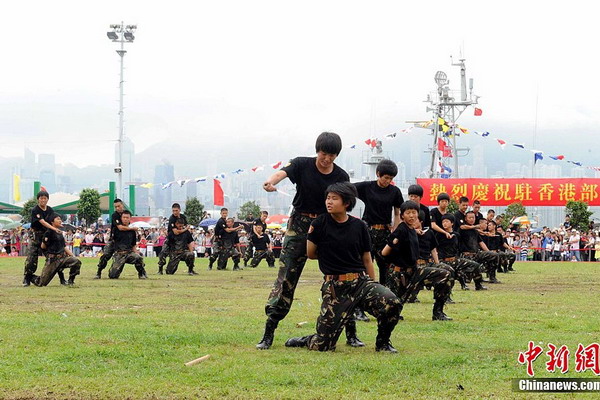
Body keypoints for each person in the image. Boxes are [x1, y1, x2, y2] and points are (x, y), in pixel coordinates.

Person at [257, 131, 350, 350]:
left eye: (332, 155)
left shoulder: (341, 175)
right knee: (286, 278)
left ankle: (351, 332)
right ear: (317, 150)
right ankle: (269, 330)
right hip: (299, 225)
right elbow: (281, 173)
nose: (326, 159)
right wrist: (270, 182)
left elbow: (345, 202)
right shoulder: (302, 164)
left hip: (327, 226)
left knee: (341, 278)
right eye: (324, 153)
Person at [284, 183, 401, 352]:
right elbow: (311, 253)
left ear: (346, 203)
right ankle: (308, 340)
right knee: (324, 346)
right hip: (335, 287)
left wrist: (373, 284)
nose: (329, 202)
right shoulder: (319, 224)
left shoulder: (359, 226)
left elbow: (367, 260)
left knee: (392, 302)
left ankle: (383, 343)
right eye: (328, 198)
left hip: (360, 282)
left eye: (334, 198)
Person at [382, 201, 453, 321]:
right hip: (399, 274)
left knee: (444, 274)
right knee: (390, 311)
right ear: (402, 215)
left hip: (415, 271)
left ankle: (438, 312)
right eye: (408, 213)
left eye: (414, 212)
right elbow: (384, 252)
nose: (411, 216)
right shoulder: (401, 230)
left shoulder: (411, 229)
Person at [353, 159, 404, 285]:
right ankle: (365, 288)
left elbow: (397, 213)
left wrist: (395, 231)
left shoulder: (395, 191)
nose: (388, 181)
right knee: (364, 262)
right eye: (386, 177)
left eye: (391, 178)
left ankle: (383, 290)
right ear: (378, 174)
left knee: (385, 264)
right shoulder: (366, 187)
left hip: (385, 232)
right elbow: (347, 189)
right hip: (368, 230)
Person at [23, 190, 66, 286]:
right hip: (36, 236)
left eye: (45, 198)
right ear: (38, 199)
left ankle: (62, 278)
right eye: (41, 198)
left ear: (47, 199)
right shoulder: (35, 210)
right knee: (31, 259)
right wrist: (54, 229)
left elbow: (54, 220)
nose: (43, 200)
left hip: (47, 236)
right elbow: (42, 222)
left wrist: (59, 225)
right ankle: (27, 279)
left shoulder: (50, 210)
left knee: (55, 257)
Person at [435, 214, 487, 291]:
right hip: (443, 261)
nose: (444, 223)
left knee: (475, 265)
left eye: (446, 221)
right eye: (443, 222)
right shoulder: (439, 235)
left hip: (455, 259)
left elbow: (458, 248)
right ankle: (459, 285)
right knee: (452, 271)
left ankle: (478, 285)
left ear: (452, 223)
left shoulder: (457, 235)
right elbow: (435, 249)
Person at [32, 214, 81, 287]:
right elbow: (43, 246)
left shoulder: (59, 232)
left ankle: (70, 281)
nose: (60, 220)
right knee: (42, 283)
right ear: (52, 222)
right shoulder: (49, 232)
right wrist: (49, 254)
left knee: (76, 261)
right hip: (53, 260)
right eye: (58, 219)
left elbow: (64, 247)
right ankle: (30, 277)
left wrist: (73, 256)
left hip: (62, 258)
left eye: (60, 219)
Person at [95, 199, 138, 279]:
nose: (117, 208)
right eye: (115, 207)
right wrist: (132, 228)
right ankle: (99, 272)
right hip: (113, 239)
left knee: (134, 256)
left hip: (123, 240)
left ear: (122, 205)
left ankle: (141, 272)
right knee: (106, 255)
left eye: (119, 206)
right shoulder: (115, 215)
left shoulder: (126, 213)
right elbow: (120, 227)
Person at [459, 211, 501, 284]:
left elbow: (481, 242)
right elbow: (462, 227)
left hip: (476, 254)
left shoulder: (475, 231)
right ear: (465, 219)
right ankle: (471, 276)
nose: (472, 219)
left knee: (494, 255)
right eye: (470, 218)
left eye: (473, 218)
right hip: (466, 256)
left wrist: (489, 252)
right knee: (467, 280)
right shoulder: (462, 230)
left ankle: (492, 277)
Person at [108, 211, 148, 279]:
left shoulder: (132, 231)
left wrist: (136, 252)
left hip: (129, 254)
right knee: (113, 276)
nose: (125, 219)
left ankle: (141, 273)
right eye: (124, 217)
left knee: (138, 257)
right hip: (119, 254)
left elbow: (133, 244)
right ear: (121, 218)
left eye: (127, 218)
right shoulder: (116, 229)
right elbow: (111, 240)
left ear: (130, 219)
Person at [157, 203, 188, 274]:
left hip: (178, 241)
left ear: (179, 210)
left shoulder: (183, 217)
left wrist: (185, 229)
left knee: (172, 267)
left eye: (176, 210)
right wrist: (185, 229)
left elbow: (186, 225)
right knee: (162, 254)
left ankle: (171, 267)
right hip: (170, 240)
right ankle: (160, 269)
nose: (175, 212)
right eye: (173, 211)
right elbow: (176, 232)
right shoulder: (172, 218)